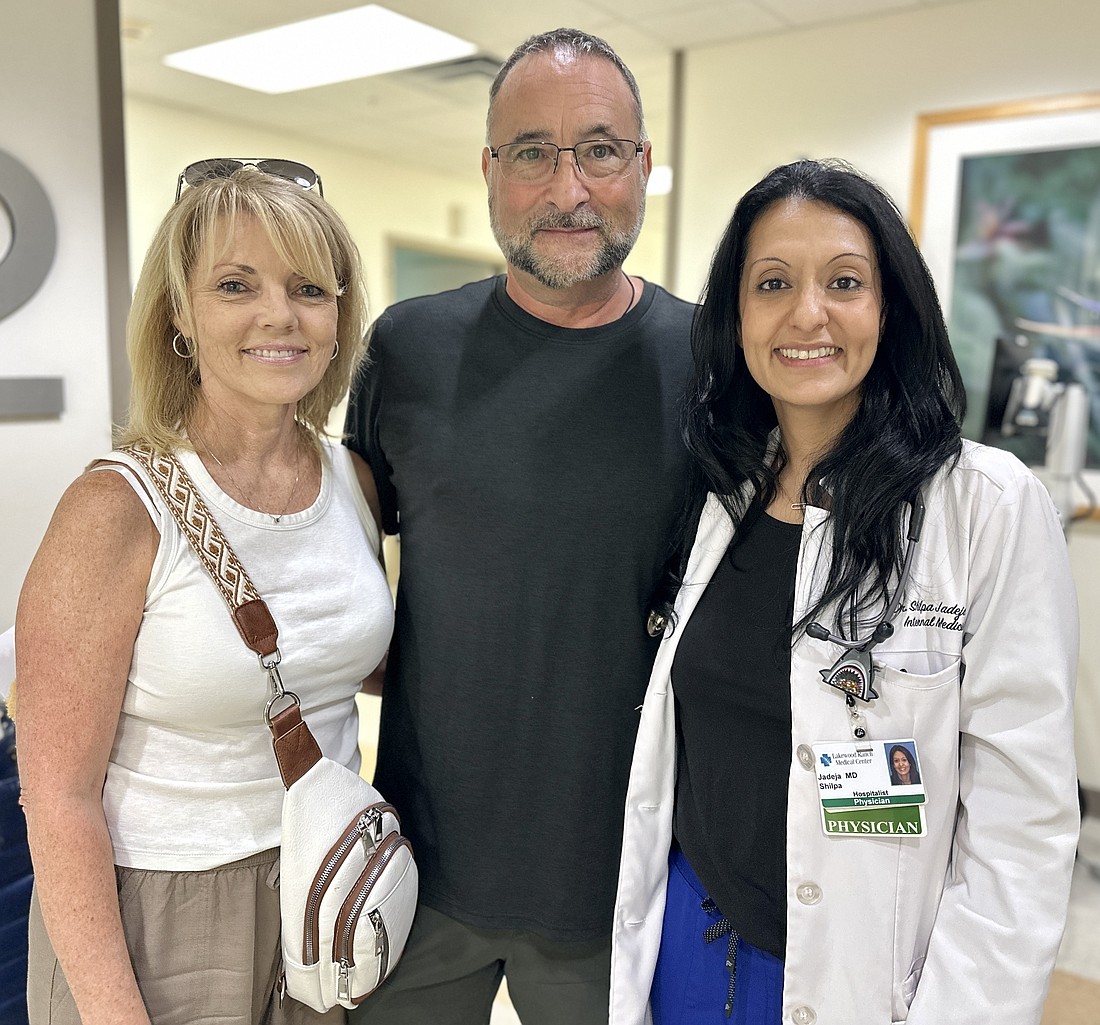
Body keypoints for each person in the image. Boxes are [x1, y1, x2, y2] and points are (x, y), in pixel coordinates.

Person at [610, 159, 1079, 1025]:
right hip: (691, 937)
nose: (807, 314)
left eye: (845, 282)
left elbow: (1021, 824)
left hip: (871, 976)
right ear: (738, 316)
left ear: (888, 307)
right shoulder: (720, 493)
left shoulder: (984, 505)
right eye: (773, 283)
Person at [343, 27, 694, 1025]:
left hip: (613, 887)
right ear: (491, 171)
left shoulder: (711, 365)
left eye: (598, 149)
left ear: (642, 167)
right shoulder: (407, 349)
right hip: (415, 870)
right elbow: (348, 563)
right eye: (532, 152)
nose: (567, 187)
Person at [16, 160, 391, 1025]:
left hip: (326, 893)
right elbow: (59, 797)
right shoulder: (116, 509)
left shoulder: (353, 481)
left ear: (338, 315)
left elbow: (351, 664)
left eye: (308, 287)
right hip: (161, 913)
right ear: (180, 314)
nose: (278, 314)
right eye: (235, 285)